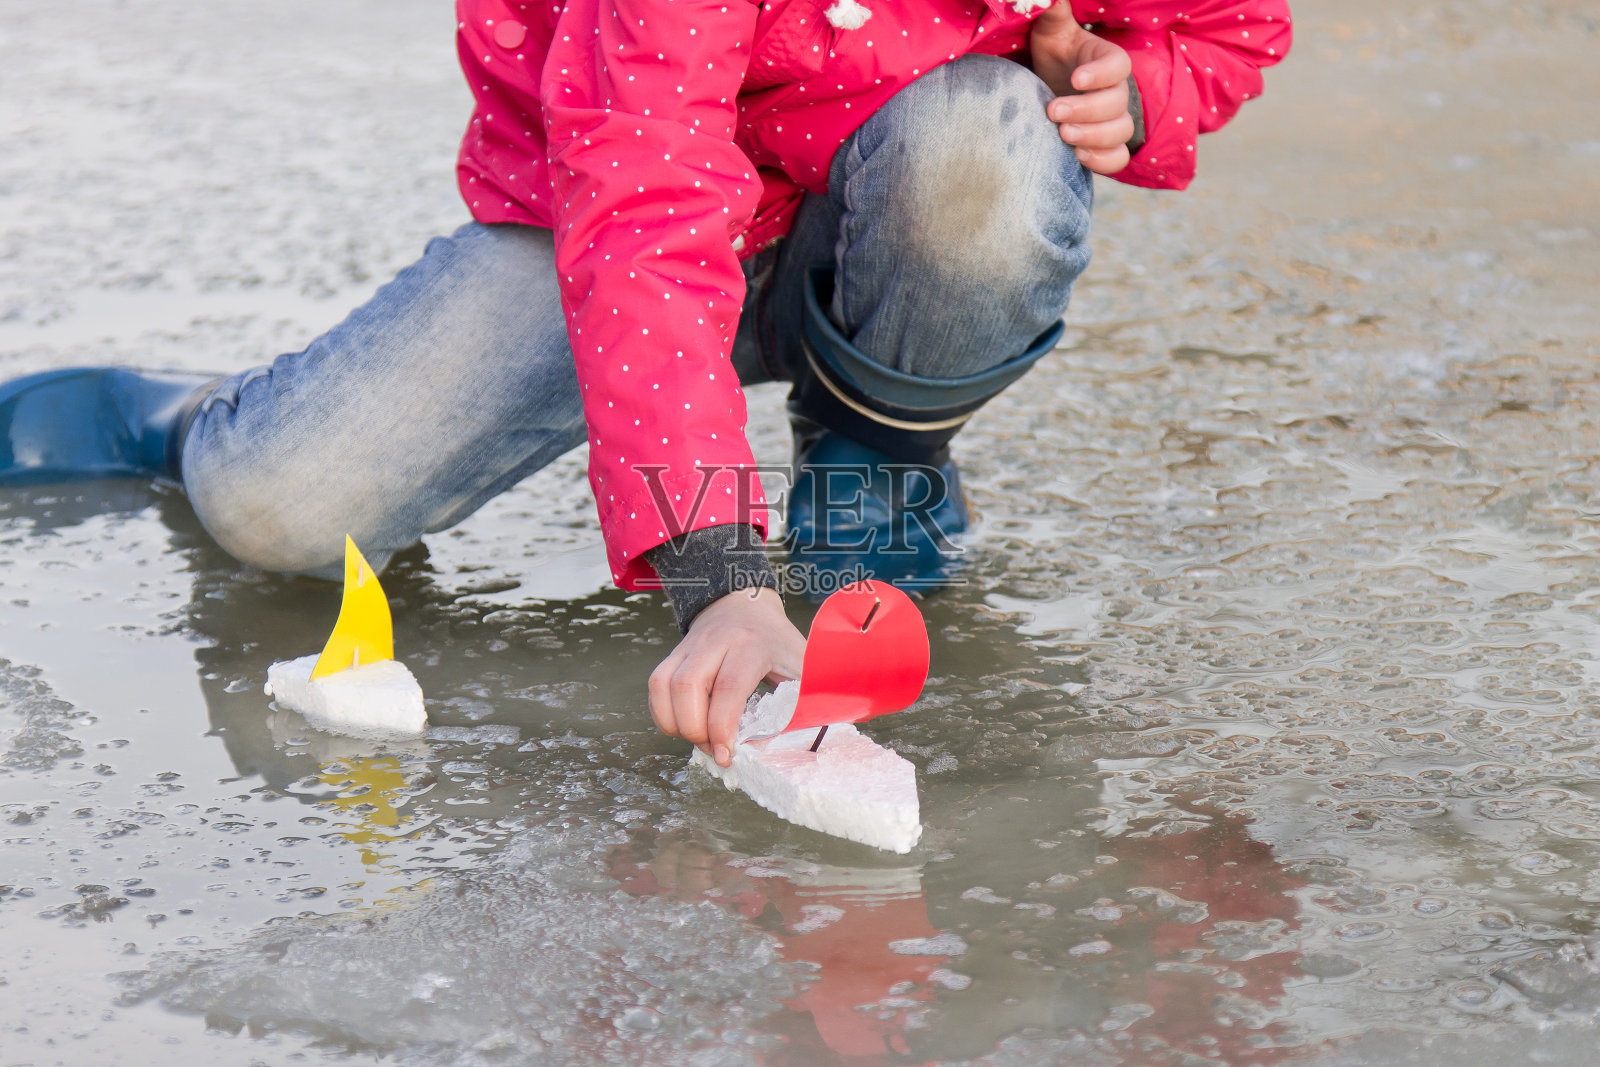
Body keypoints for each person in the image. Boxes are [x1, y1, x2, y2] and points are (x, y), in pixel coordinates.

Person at [0, 0, 1291, 765]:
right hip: (611, 241)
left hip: (875, 212)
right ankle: (192, 425)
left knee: (991, 147)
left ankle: (875, 477)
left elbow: (1228, 29)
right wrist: (718, 579)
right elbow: (645, 218)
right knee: (278, 509)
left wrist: (1145, 89)